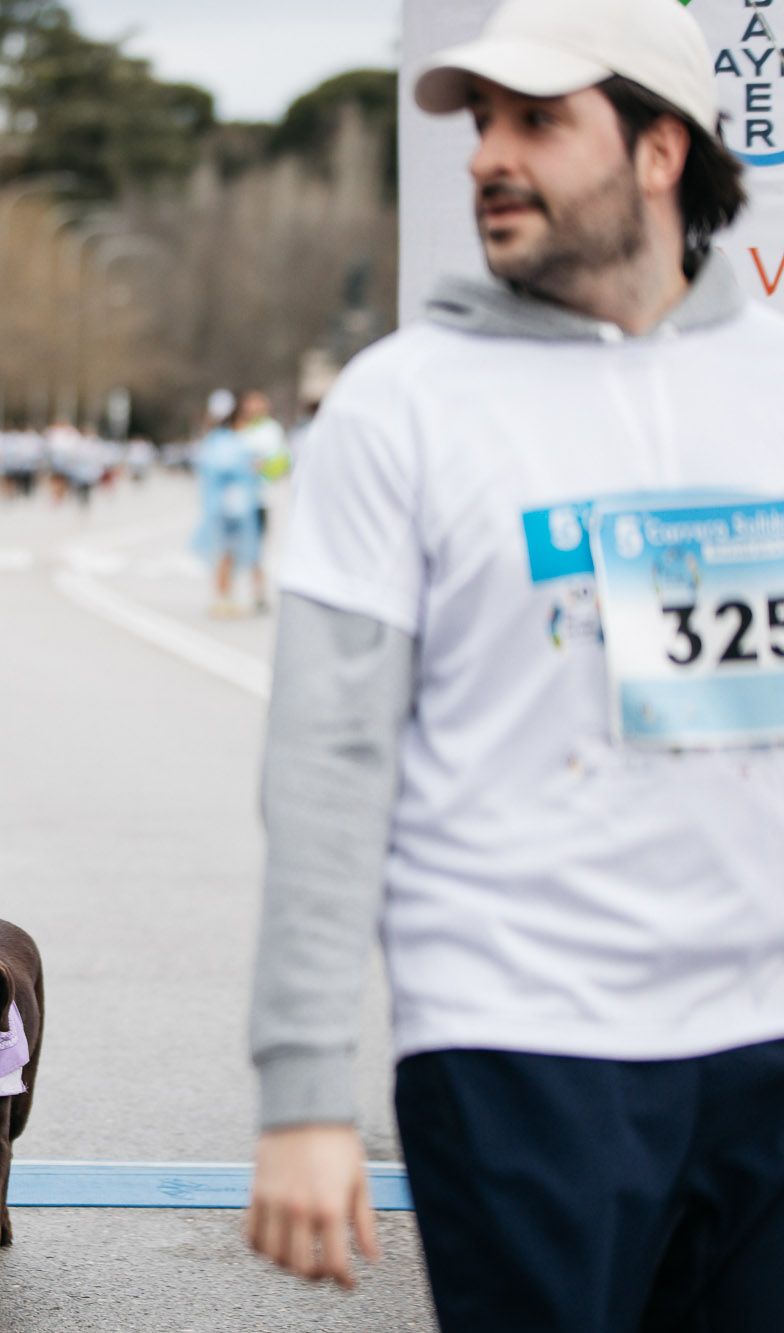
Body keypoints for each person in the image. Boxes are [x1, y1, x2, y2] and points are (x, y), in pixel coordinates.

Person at [245, 4, 784, 1329]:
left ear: (662, 150)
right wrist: (307, 1087)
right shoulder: (401, 402)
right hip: (521, 1043)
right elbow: (327, 760)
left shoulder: (767, 378)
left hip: (764, 1032)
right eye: (483, 121)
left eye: (538, 122)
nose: (492, 154)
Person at [191, 391, 259, 618]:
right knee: (224, 554)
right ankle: (222, 598)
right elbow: (225, 469)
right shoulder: (225, 442)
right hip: (226, 507)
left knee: (230, 555)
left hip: (233, 505)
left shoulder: (222, 441)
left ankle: (226, 596)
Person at [234, 390, 288, 612]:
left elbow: (282, 462)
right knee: (233, 547)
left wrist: (262, 468)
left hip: (261, 498)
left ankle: (257, 592)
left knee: (257, 547)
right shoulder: (238, 430)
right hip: (237, 498)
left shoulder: (271, 431)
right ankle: (232, 593)